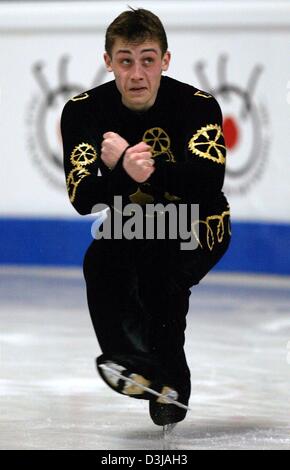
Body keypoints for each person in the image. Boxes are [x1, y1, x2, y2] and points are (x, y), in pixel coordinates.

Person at [61, 7, 231, 427]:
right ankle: (130, 359)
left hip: (198, 223)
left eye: (148, 60)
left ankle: (171, 383)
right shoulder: (83, 110)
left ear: (165, 61)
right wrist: (123, 173)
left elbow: (208, 182)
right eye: (125, 60)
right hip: (135, 224)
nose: (137, 74)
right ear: (108, 62)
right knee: (98, 262)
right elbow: (82, 197)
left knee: (161, 276)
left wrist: (146, 170)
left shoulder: (197, 105)